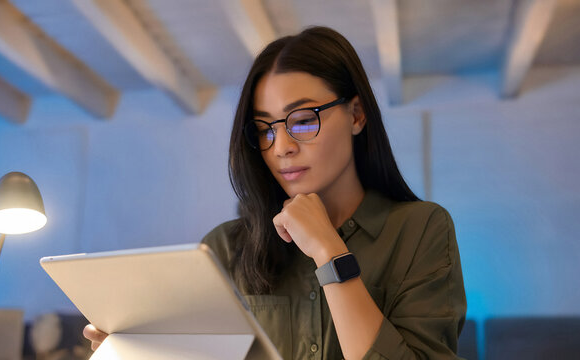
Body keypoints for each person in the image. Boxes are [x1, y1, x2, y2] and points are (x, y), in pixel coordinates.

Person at [83, 26, 466, 359]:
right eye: (265, 129)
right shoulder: (224, 248)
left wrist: (329, 253)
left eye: (302, 121)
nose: (281, 146)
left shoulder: (420, 230)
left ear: (356, 115)